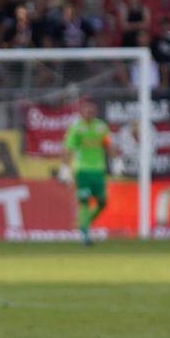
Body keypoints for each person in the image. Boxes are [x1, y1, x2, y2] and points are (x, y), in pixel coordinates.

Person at [63, 100, 111, 246]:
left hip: (98, 169)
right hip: (82, 170)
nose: (89, 112)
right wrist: (65, 168)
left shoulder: (101, 127)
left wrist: (116, 160)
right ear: (82, 111)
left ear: (95, 111)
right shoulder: (76, 128)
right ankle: (84, 235)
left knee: (103, 201)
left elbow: (108, 145)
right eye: (87, 110)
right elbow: (69, 148)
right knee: (84, 201)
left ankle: (83, 224)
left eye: (92, 110)